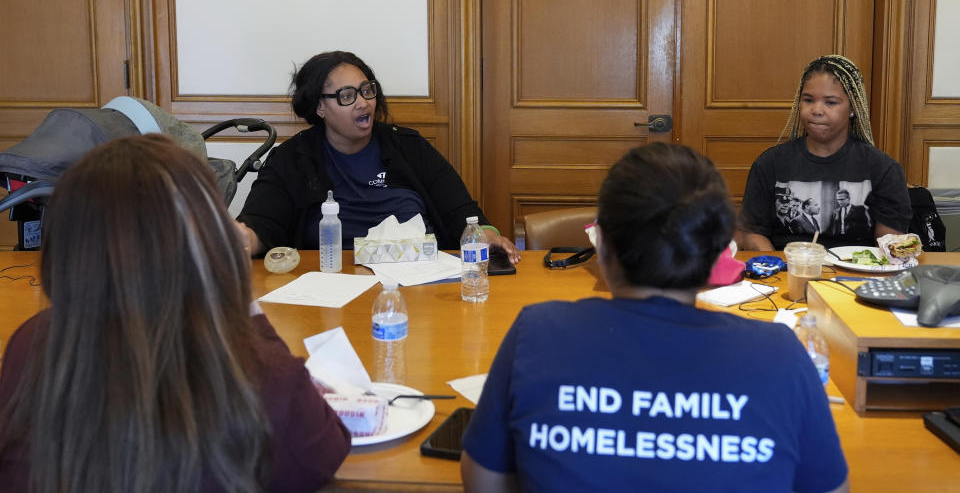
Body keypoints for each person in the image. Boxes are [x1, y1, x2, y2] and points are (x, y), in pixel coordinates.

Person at [460, 143, 849, 493]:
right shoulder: (780, 354)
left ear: (604, 246)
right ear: (718, 256)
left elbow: (482, 482)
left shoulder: (537, 333)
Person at [0, 135, 350, 492]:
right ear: (208, 241)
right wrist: (244, 302)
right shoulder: (259, 374)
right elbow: (323, 451)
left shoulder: (30, 343)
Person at [237, 50, 520, 261]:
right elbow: (262, 225)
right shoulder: (291, 159)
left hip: (418, 278)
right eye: (347, 96)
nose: (363, 102)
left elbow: (459, 210)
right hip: (331, 281)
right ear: (319, 107)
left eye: (366, 90)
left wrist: (487, 233)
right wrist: (242, 238)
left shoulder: (408, 147)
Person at [737, 55, 912, 251]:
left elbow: (890, 245)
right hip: (788, 271)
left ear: (852, 108)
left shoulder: (883, 169)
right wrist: (776, 266)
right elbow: (752, 233)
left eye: (831, 102)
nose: (817, 110)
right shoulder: (770, 163)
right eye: (808, 100)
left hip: (857, 275)